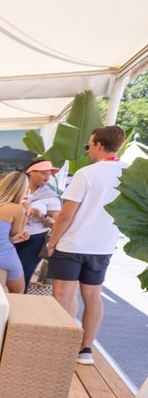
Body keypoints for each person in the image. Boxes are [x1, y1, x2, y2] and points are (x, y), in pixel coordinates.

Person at [47, 125, 127, 365]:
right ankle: (85, 350)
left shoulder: (87, 173)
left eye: (89, 145)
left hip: (72, 244)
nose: (88, 150)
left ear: (99, 145)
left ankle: (62, 345)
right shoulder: (130, 174)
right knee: (93, 296)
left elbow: (65, 215)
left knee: (63, 294)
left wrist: (52, 241)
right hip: (102, 247)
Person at [19, 160, 62, 291]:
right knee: (4, 274)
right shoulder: (17, 189)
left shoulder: (52, 196)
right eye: (44, 173)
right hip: (10, 237)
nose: (47, 177)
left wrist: (41, 217)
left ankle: (18, 305)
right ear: (31, 172)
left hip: (34, 241)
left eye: (49, 174)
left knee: (23, 275)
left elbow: (56, 224)